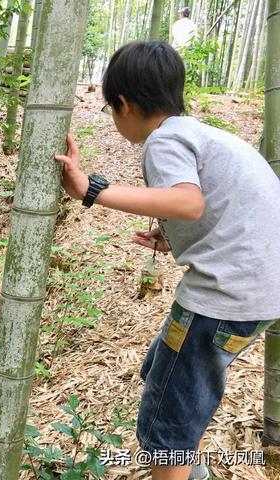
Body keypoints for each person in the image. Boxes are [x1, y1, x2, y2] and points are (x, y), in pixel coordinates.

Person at [56, 41, 280, 480]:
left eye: (109, 110)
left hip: (222, 299)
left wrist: (92, 191)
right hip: (259, 293)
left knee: (168, 433)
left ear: (124, 102)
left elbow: (189, 202)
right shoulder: (205, 134)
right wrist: (177, 237)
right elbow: (223, 211)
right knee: (164, 378)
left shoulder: (165, 140)